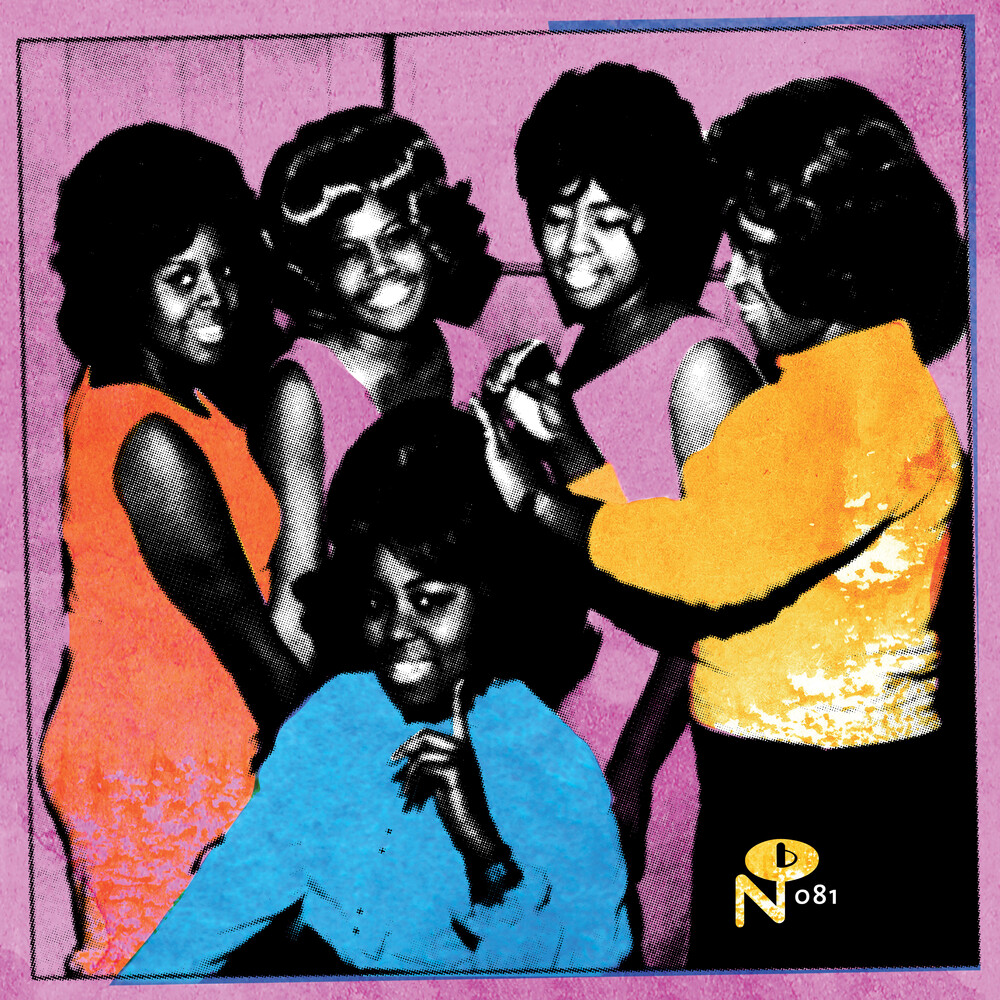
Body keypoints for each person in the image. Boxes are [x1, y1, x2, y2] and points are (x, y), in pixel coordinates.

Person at [471, 77, 976, 970]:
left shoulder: (870, 404)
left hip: (830, 786)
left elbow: (710, 565)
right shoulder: (810, 388)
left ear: (835, 261)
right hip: (759, 772)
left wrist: (537, 500)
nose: (731, 275)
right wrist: (573, 451)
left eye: (755, 254)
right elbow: (681, 542)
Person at [119, 403, 632, 978]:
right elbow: (219, 907)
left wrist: (484, 850)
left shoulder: (550, 761)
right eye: (375, 602)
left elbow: (583, 978)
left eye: (431, 601)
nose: (396, 631)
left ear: (492, 594)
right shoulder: (337, 715)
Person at [38, 123, 309, 977]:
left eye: (225, 267)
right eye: (181, 276)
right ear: (124, 281)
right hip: (157, 764)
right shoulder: (149, 437)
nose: (217, 297)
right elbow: (258, 656)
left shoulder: (169, 395)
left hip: (177, 738)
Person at [506, 61, 761, 967]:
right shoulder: (577, 341)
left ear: (662, 217)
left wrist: (633, 771)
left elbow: (725, 604)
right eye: (555, 215)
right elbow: (594, 536)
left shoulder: (703, 367)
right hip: (570, 715)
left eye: (609, 218)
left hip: (656, 736)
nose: (572, 247)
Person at [252, 107, 500, 665]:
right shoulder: (301, 391)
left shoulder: (472, 356)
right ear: (311, 272)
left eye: (396, 237)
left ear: (434, 236)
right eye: (349, 252)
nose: (381, 268)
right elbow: (295, 598)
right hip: (349, 671)